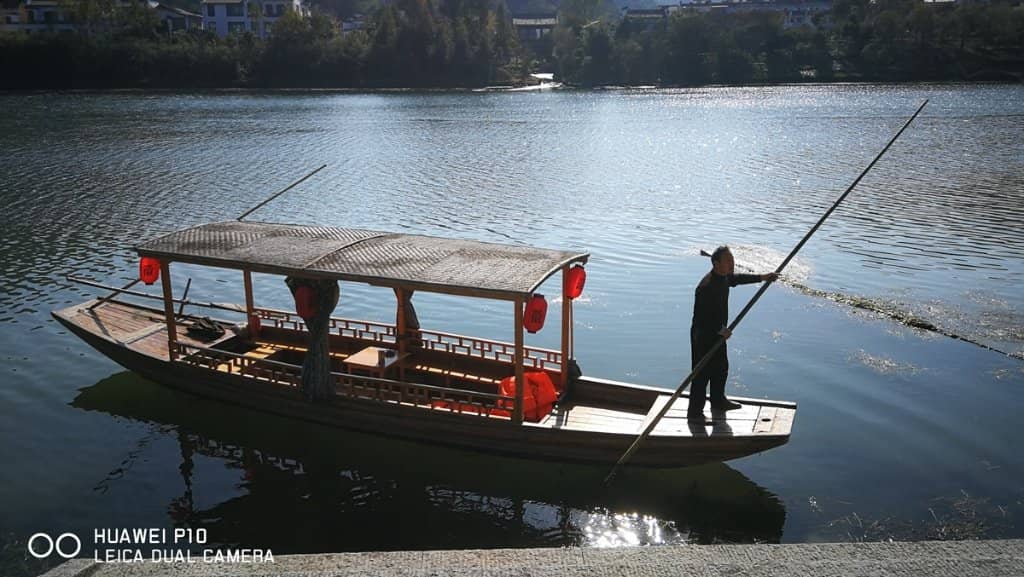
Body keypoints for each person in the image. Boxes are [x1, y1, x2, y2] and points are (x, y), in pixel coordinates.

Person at [688, 246, 778, 421]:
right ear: (716, 264)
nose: (732, 264)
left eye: (733, 260)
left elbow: (737, 279)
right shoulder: (706, 286)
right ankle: (695, 413)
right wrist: (720, 330)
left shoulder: (724, 277)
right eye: (728, 261)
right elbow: (703, 318)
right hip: (703, 336)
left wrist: (763, 277)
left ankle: (718, 401)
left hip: (719, 334)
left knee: (721, 369)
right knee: (701, 374)